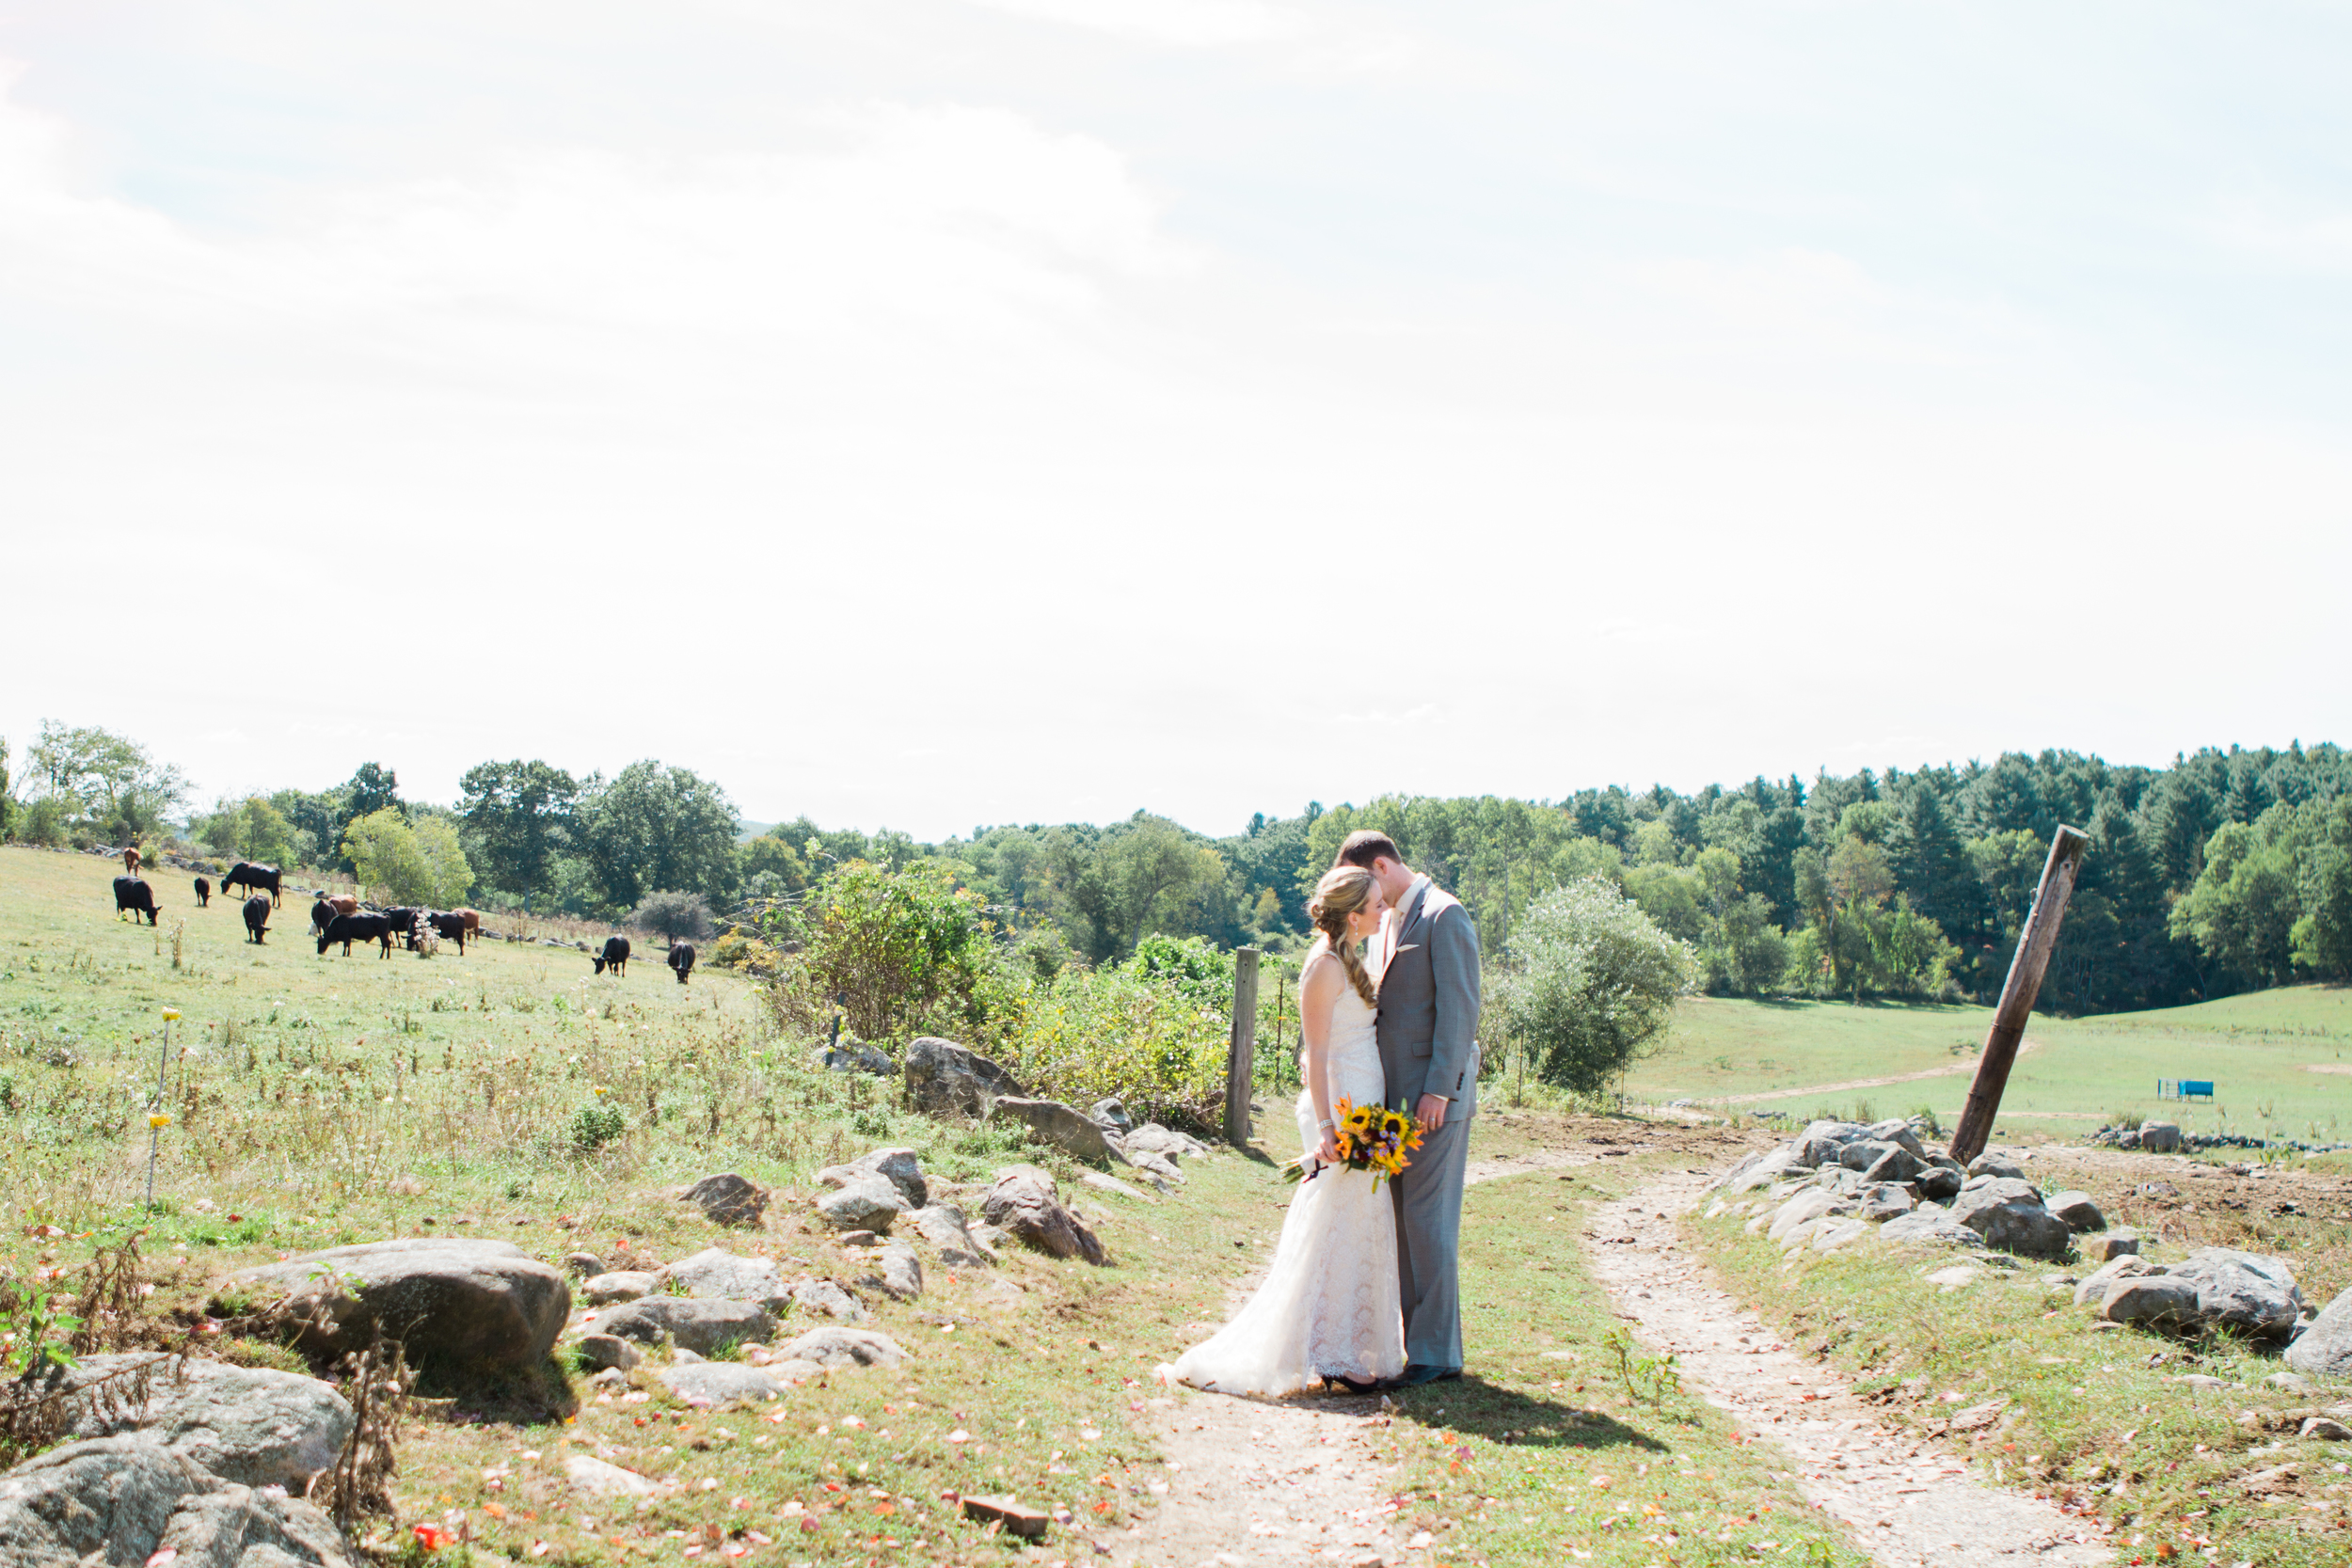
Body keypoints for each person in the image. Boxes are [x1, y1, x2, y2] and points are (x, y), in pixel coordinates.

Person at [1159, 864, 1406, 1398]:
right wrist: (1325, 1127)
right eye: (1377, 904)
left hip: (1365, 1106)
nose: (1384, 910)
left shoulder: (1349, 958)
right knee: (1330, 1225)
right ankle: (1324, 1349)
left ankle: (1341, 1346)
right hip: (1339, 1110)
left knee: (1357, 1225)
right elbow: (1314, 1054)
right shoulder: (1322, 968)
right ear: (1352, 913)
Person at [1335, 829, 1480, 1387]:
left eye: (1364, 883)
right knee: (1399, 1220)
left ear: (1381, 866)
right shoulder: (1390, 919)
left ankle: (1439, 1354)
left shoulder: (1446, 916)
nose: (1361, 898)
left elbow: (1461, 1010)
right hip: (1389, 1103)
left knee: (1429, 1220)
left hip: (1433, 1102)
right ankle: (1415, 1346)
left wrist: (1439, 1090)